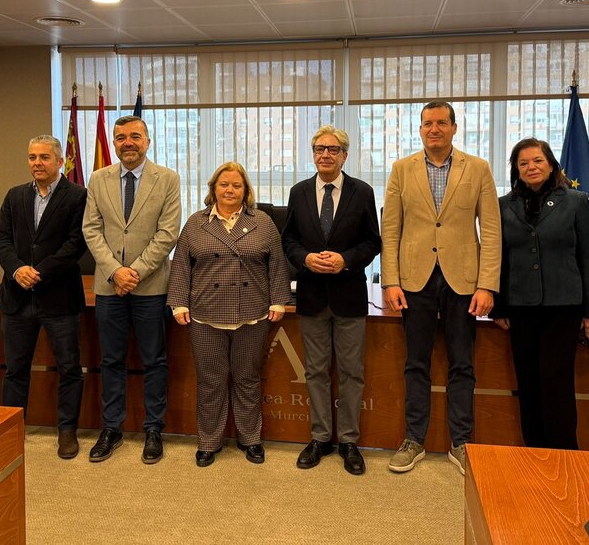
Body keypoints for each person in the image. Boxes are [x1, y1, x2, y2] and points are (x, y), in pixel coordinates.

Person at [380, 100, 501, 475]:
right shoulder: (402, 169)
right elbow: (391, 229)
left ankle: (461, 442)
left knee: (461, 364)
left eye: (441, 123)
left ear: (453, 128)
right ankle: (414, 440)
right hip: (414, 279)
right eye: (428, 123)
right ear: (420, 129)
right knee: (415, 363)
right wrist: (391, 280)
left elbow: (492, 231)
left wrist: (487, 285)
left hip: (463, 280)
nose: (434, 129)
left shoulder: (477, 168)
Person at [167, 162, 291, 467]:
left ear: (246, 190)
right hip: (205, 315)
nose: (230, 190)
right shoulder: (196, 223)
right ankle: (209, 441)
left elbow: (277, 264)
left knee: (247, 378)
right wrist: (178, 302)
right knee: (210, 381)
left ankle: (251, 439)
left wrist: (279, 300)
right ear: (213, 189)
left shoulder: (262, 222)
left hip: (252, 313)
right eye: (224, 185)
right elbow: (181, 264)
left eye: (236, 185)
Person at [490, 138, 589, 450]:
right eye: (523, 162)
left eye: (538, 160)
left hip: (563, 306)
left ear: (551, 164)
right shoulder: (502, 206)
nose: (531, 167)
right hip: (521, 307)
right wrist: (498, 306)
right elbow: (497, 257)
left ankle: (564, 451)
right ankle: (535, 450)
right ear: (516, 168)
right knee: (527, 383)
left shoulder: (576, 201)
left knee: (556, 383)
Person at [82, 115, 181, 464]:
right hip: (109, 288)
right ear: (114, 142)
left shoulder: (167, 179)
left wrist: (134, 272)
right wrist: (114, 272)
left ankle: (153, 428)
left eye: (135, 136)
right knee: (111, 360)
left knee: (155, 360)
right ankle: (112, 428)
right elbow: (91, 229)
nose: (128, 142)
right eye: (121, 137)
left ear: (148, 141)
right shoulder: (98, 178)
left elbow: (168, 234)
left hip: (151, 286)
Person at [281, 126, 381, 475]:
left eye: (333, 149)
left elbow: (373, 242)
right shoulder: (299, 192)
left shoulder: (362, 192)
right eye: (319, 149)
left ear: (344, 155)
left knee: (352, 373)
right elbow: (288, 239)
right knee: (316, 372)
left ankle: (349, 441)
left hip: (349, 295)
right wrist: (305, 259)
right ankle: (321, 437)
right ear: (314, 154)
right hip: (311, 296)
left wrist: (347, 259)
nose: (325, 154)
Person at [0, 135, 87, 459]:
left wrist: (40, 271)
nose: (37, 163)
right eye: (32, 157)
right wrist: (17, 270)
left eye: (44, 157)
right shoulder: (15, 195)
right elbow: (1, 238)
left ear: (60, 162)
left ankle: (67, 431)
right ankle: (12, 429)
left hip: (59, 297)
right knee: (15, 369)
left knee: (69, 368)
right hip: (17, 298)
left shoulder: (77, 196)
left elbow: (76, 244)